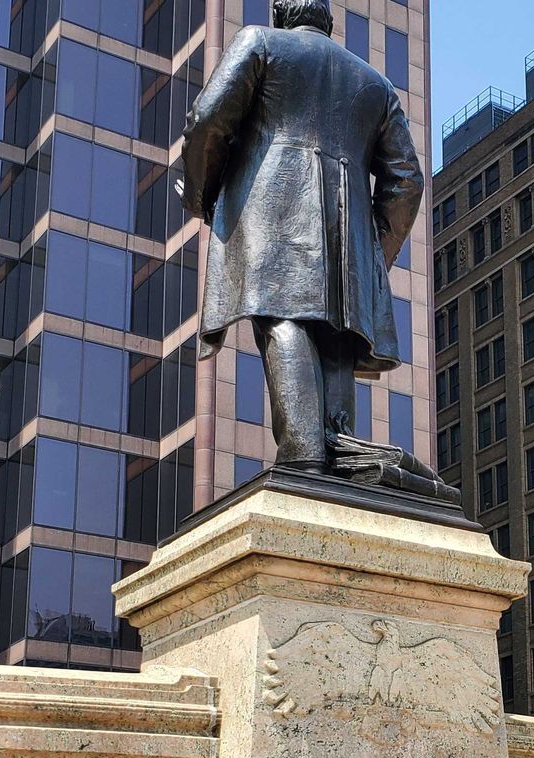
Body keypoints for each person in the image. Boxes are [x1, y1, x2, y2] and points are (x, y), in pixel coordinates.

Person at [178, 0, 423, 476]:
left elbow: (207, 120)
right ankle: (335, 457)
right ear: (325, 19)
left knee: (282, 318)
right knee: (333, 333)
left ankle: (305, 458)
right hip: (346, 236)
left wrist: (201, 197)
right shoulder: (376, 84)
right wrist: (374, 254)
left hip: (273, 214)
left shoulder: (260, 42)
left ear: (280, 13)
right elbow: (407, 181)